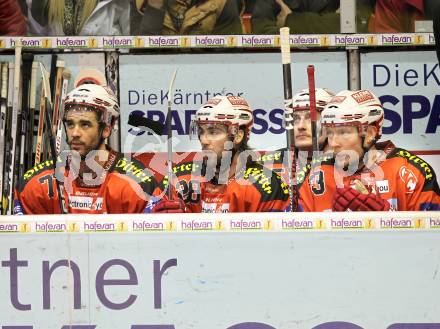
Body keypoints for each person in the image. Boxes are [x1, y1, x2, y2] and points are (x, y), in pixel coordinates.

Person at [14, 84, 158, 214]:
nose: (75, 133)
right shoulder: (36, 184)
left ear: (106, 129)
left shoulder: (138, 185)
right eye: (70, 124)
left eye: (85, 124)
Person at [298, 89, 440, 212]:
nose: (333, 143)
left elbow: (432, 235)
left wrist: (386, 219)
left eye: (343, 133)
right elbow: (297, 239)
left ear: (370, 133)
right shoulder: (316, 173)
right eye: (329, 133)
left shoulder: (410, 170)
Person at [151, 95, 291, 213]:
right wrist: (161, 223)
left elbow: (277, 242)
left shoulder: (266, 185)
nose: (204, 140)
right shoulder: (178, 178)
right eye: (201, 131)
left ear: (237, 136)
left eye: (213, 132)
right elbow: (144, 229)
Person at [258, 88, 335, 185]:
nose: (301, 126)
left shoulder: (345, 162)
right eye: (295, 119)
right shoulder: (268, 163)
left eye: (310, 118)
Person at [251, 0, 374, 34]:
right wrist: (330, 21)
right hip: (284, 62)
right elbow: (262, 32)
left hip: (338, 62)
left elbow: (355, 25)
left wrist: (291, 21)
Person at [132, 0, 242, 35]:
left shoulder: (222, 3)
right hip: (156, 83)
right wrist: (155, 7)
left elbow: (230, 59)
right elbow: (137, 58)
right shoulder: (142, 3)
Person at [29, 0, 129, 36]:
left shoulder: (116, 3)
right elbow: (36, 39)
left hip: (109, 69)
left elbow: (130, 39)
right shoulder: (47, 4)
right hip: (62, 69)